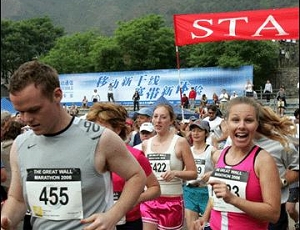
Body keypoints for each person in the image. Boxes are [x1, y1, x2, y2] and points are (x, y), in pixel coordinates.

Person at [1, 60, 147, 230]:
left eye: (34, 110)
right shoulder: (21, 144)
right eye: (20, 111)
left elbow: (137, 176)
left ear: (57, 95)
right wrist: (6, 219)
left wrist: (113, 215)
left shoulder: (100, 138)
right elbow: (17, 199)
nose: (26, 119)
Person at [194, 97, 281, 230]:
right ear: (226, 124)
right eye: (235, 120)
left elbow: (273, 214)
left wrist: (233, 199)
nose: (241, 126)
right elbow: (216, 195)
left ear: (257, 124)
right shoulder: (222, 155)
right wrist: (205, 218)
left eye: (248, 120)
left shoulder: (263, 160)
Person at [86, 102, 160, 229]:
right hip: (96, 221)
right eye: (93, 128)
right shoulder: (86, 156)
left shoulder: (135, 156)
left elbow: (155, 188)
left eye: (102, 129)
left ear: (117, 129)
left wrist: (132, 199)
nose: (96, 134)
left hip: (128, 222)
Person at [140, 103, 197, 230]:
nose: (158, 121)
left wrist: (176, 173)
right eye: (155, 116)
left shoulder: (180, 142)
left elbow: (193, 173)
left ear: (171, 120)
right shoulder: (146, 144)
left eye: (163, 117)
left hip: (171, 201)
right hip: (149, 199)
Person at [183, 120, 217, 230]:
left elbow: (223, 169)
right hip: (190, 190)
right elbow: (184, 170)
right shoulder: (188, 150)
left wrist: (212, 173)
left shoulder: (212, 150)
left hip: (206, 192)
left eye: (199, 131)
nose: (196, 133)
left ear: (206, 133)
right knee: (191, 227)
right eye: (193, 130)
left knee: (207, 226)